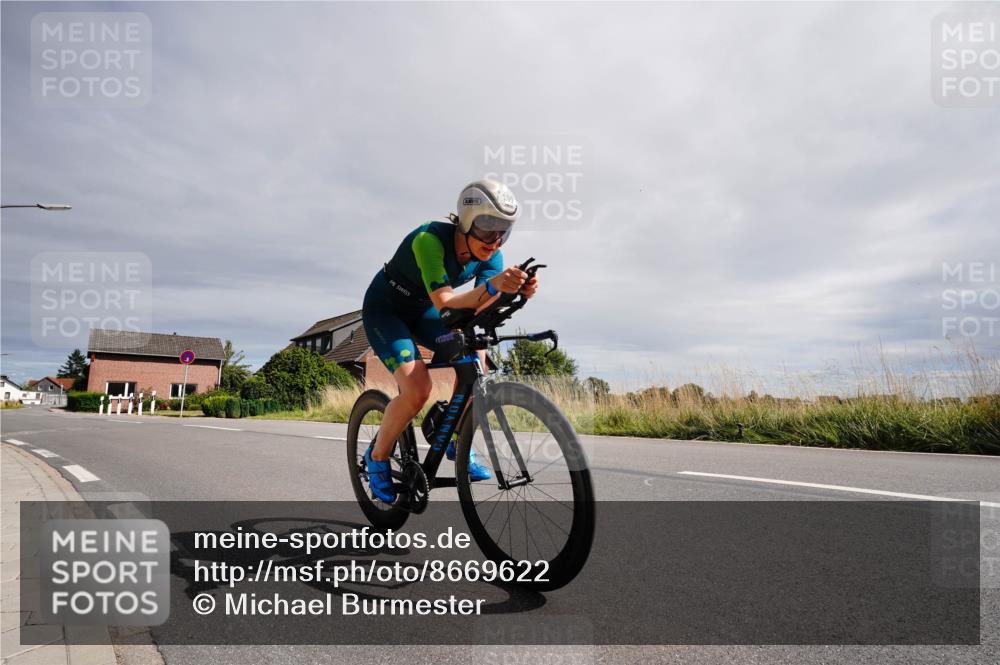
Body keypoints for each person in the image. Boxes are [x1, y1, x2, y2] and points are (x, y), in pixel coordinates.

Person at [361, 179, 538, 503]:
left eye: (504, 231)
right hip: (387, 309)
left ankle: (456, 438)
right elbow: (446, 302)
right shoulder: (429, 238)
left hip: (426, 312)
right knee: (418, 388)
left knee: (476, 360)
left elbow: (479, 307)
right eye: (487, 227)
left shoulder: (492, 258)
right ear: (467, 220)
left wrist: (513, 292)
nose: (495, 239)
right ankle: (377, 459)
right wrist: (494, 286)